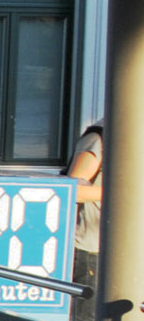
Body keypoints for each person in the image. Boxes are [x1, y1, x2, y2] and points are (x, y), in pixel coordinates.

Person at [66, 122, 103, 293]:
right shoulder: (98, 139)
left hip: (126, 250)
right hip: (90, 250)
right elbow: (75, 190)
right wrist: (124, 194)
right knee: (89, 309)